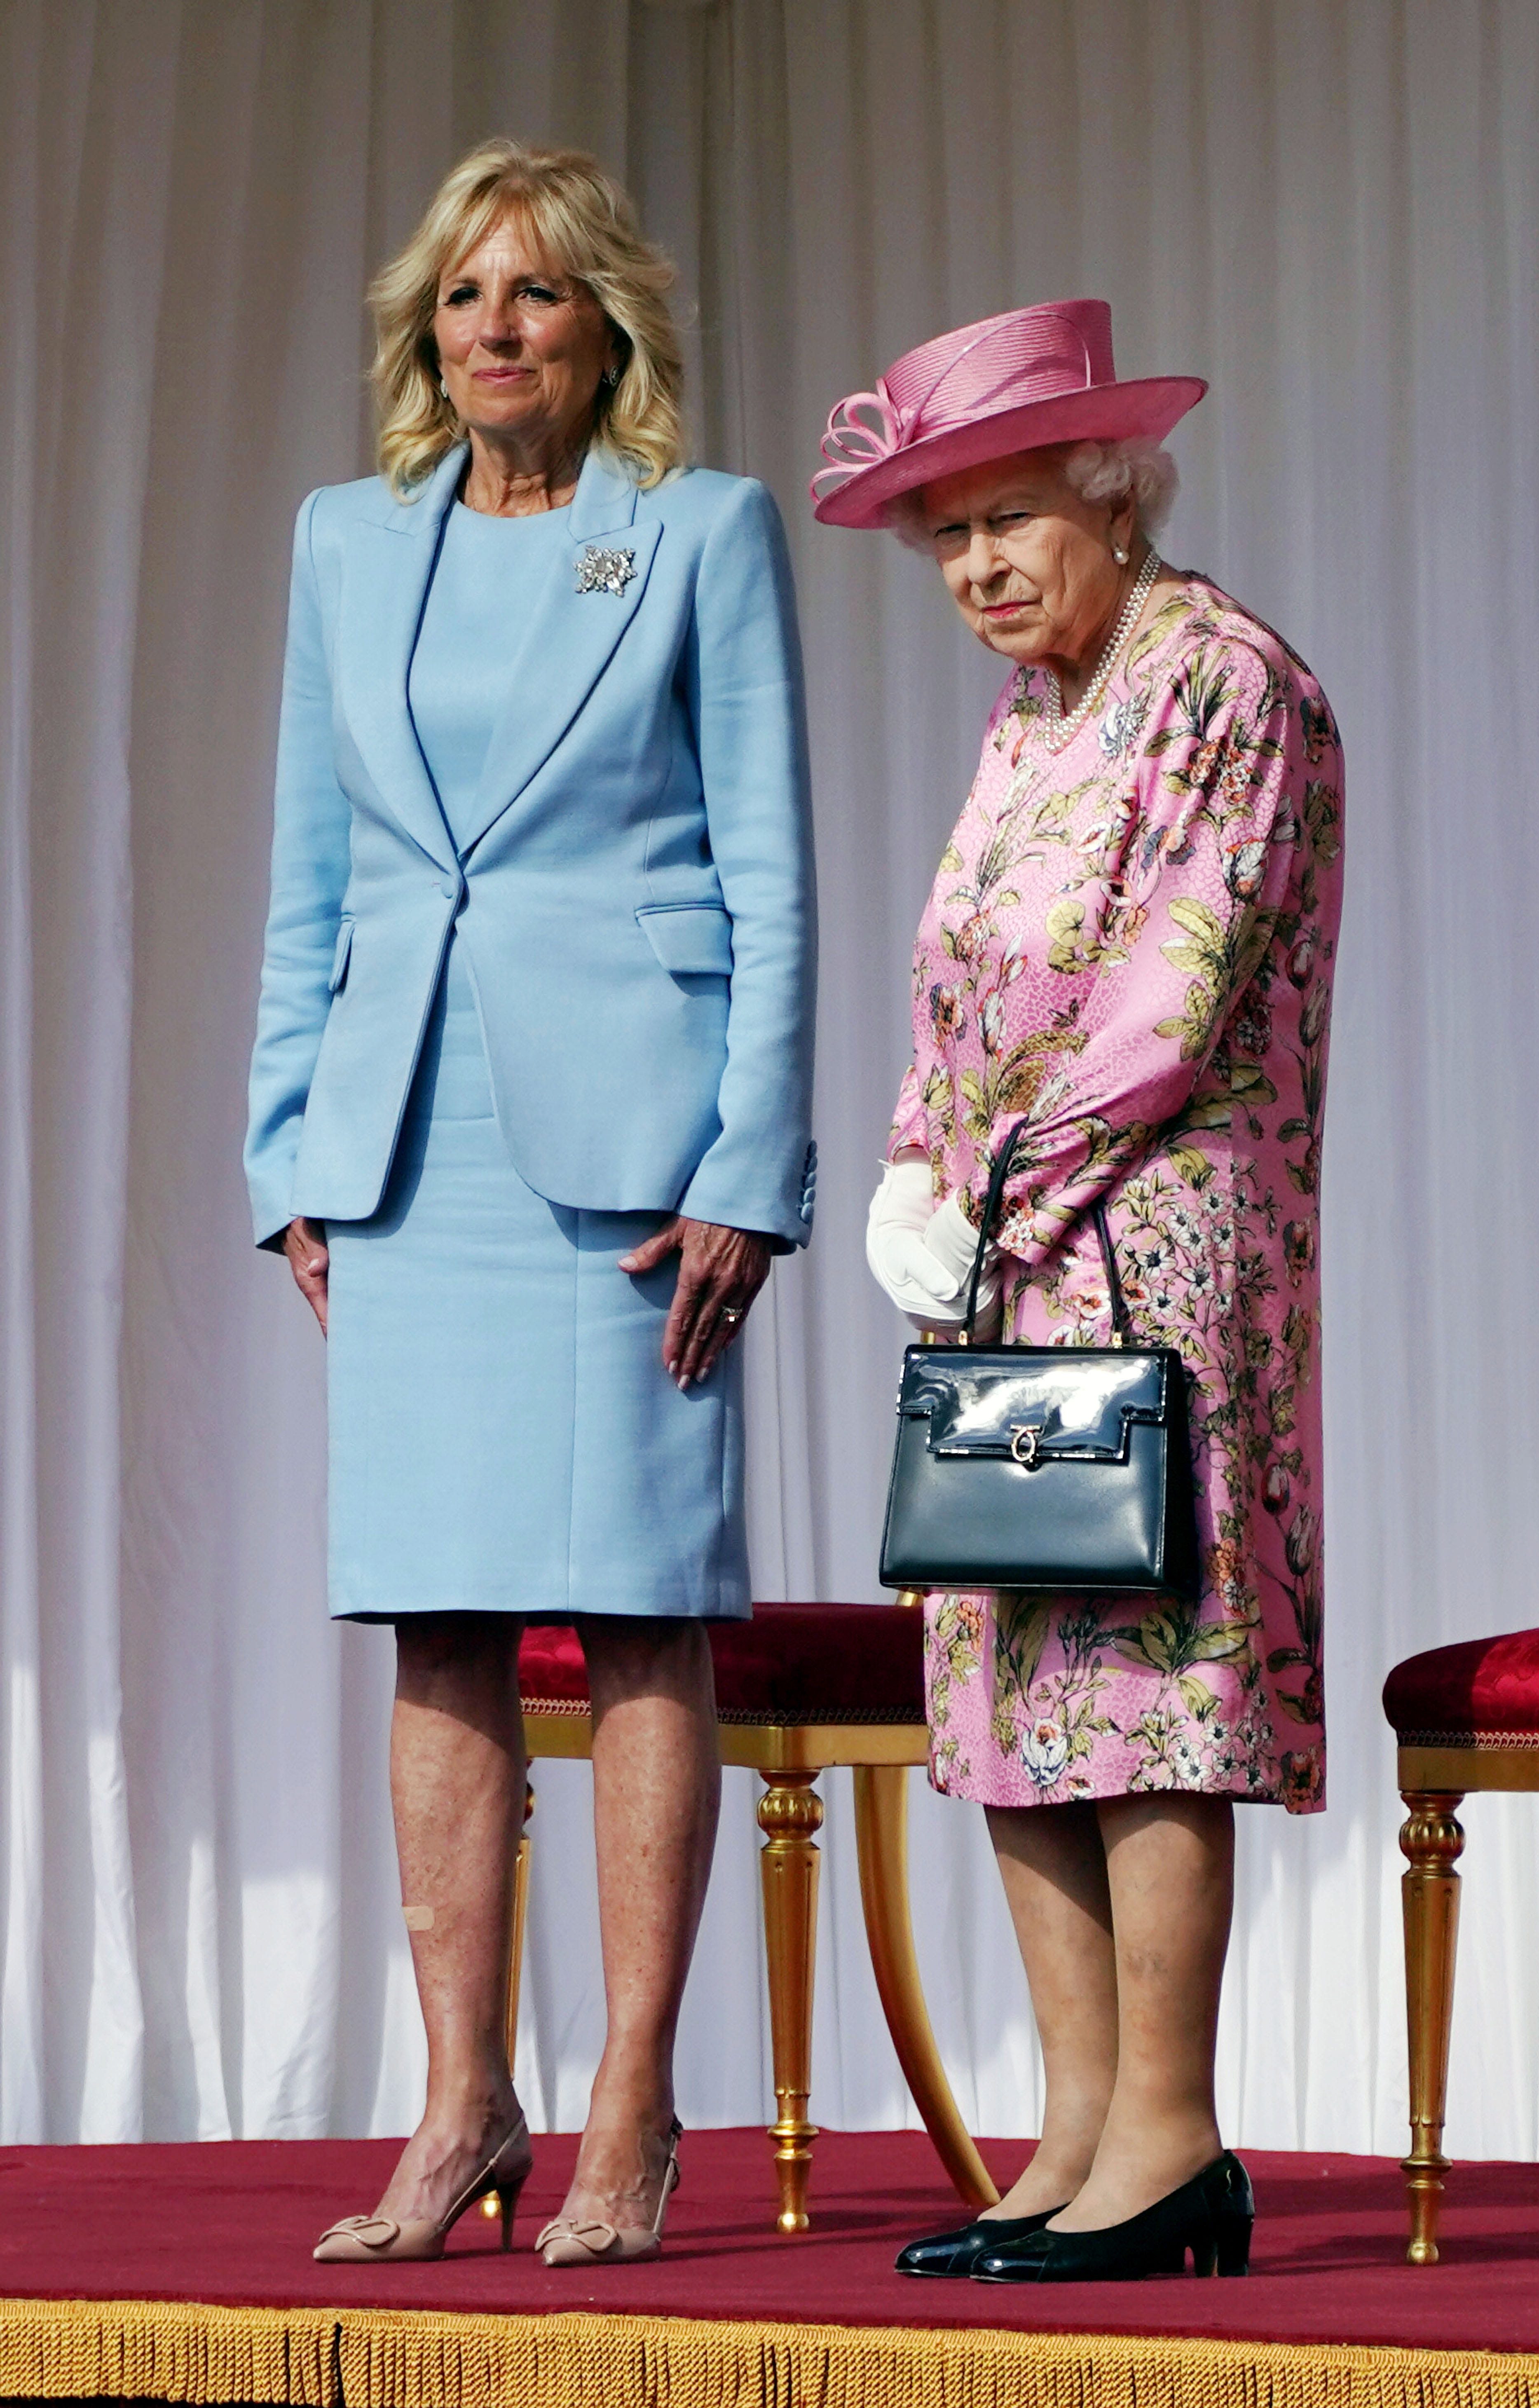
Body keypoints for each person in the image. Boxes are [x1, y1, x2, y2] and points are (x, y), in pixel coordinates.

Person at [246, 140, 815, 2272]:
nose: (498, 326)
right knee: (438, 1619)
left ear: (608, 333)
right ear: (429, 332)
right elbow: (312, 875)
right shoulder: (342, 544)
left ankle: (628, 2107)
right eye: (467, 295)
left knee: (643, 1607)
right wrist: (287, 1148)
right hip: (406, 1147)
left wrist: (749, 1169)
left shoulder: (695, 536)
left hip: (634, 1157)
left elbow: (769, 866)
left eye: (541, 294)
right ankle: (457, 2100)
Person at [813, 301, 1342, 2282]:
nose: (975, 570)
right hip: (1004, 1257)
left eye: (1008, 518)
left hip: (1154, 1241)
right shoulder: (1034, 712)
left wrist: (994, 1181)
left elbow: (1171, 992)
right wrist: (905, 1168)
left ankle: (1176, 2142)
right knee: (1015, 1672)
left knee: (1141, 1676)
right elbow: (968, 987)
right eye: (944, 539)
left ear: (1113, 491)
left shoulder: (1228, 680)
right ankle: (1076, 2137)